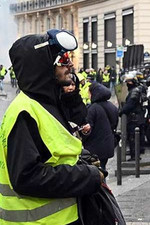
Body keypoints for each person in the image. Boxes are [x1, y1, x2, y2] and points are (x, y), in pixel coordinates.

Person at [0, 29, 103, 225]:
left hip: (61, 219)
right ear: (43, 66)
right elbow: (26, 177)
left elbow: (55, 153)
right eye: (62, 60)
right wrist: (86, 175)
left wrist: (81, 160)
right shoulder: (25, 112)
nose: (70, 64)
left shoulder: (46, 102)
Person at [83, 82, 118, 171]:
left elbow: (88, 127)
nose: (88, 95)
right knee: (103, 168)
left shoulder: (93, 108)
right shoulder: (112, 107)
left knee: (97, 171)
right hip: (108, 145)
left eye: (89, 93)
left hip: (95, 147)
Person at [120, 71, 147, 160]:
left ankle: (134, 156)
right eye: (127, 82)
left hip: (134, 118)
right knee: (136, 136)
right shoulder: (136, 90)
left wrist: (122, 111)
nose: (128, 84)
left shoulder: (134, 91)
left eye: (129, 82)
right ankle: (136, 154)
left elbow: (130, 104)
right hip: (138, 117)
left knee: (133, 137)